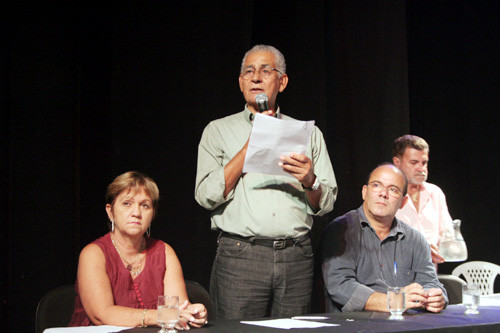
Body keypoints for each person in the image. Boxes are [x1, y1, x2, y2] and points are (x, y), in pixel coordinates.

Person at [195, 44, 337, 320]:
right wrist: (249, 148)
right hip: (241, 256)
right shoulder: (218, 130)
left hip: (296, 257)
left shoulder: (308, 134)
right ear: (240, 82)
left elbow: (327, 202)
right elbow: (205, 196)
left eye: (265, 70)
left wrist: (310, 180)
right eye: (249, 71)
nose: (256, 77)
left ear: (281, 81)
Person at [69, 171, 207, 329]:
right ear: (110, 211)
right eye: (127, 203)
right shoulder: (93, 254)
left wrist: (193, 314)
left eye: (145, 205)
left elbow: (179, 310)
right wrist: (158, 316)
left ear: (152, 214)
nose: (136, 213)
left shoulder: (165, 251)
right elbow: (102, 315)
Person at [322, 164, 447, 313]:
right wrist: (395, 300)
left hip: (405, 326)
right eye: (376, 185)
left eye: (393, 189)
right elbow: (341, 286)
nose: (383, 193)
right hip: (355, 325)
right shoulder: (341, 230)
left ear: (403, 202)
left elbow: (431, 283)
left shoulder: (416, 239)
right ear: (364, 192)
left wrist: (435, 297)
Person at [392, 135, 453, 265]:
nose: (421, 169)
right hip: (395, 277)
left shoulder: (435, 193)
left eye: (424, 163)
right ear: (397, 163)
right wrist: (419, 249)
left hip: (429, 278)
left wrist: (442, 248)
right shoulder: (387, 194)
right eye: (414, 163)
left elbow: (448, 234)